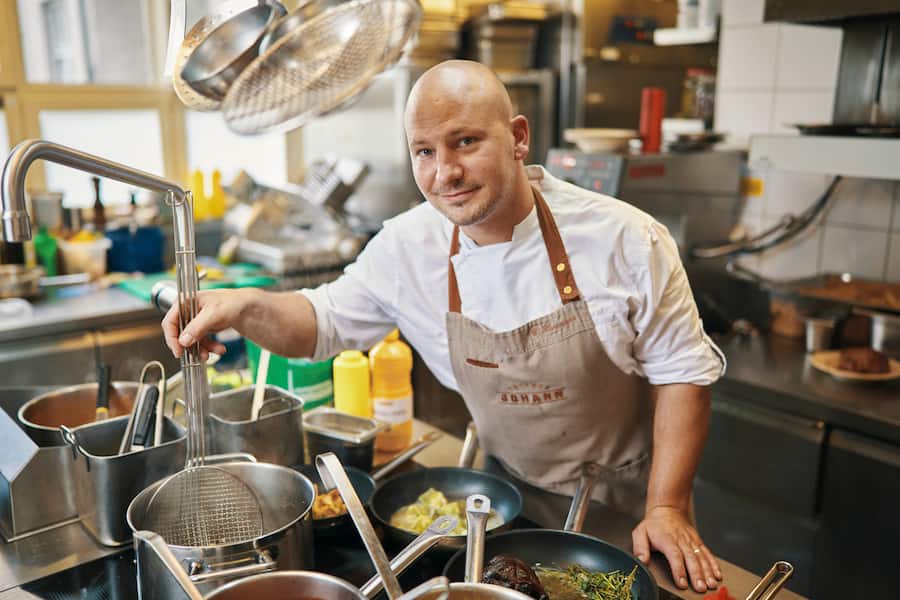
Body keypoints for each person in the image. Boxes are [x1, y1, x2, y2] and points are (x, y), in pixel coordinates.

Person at [163, 60, 725, 593]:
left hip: (626, 514)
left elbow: (683, 373)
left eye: (466, 142)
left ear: (518, 137)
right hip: (500, 508)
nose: (445, 173)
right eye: (425, 152)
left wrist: (667, 506)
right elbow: (321, 323)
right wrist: (243, 306)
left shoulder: (625, 239)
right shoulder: (408, 246)